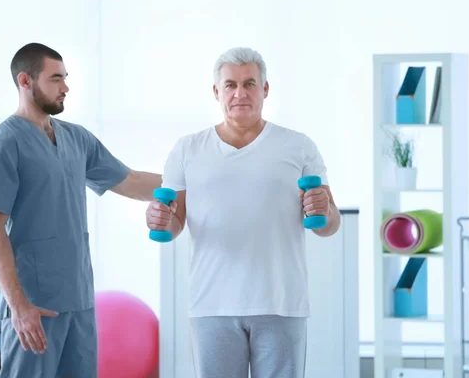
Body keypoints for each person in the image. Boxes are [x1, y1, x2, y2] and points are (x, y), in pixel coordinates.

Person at [145, 47, 341, 378]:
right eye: (230, 85)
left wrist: (324, 209)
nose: (240, 93)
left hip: (281, 302)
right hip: (212, 303)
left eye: (250, 83)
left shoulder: (298, 146)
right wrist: (158, 219)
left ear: (265, 89)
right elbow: (175, 220)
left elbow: (327, 225)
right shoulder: (187, 149)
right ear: (216, 92)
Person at [0, 42, 161, 378]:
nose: (66, 87)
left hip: (79, 304)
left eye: (65, 78)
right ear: (26, 81)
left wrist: (191, 183)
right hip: (35, 308)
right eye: (55, 79)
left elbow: (130, 181)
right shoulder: (3, 144)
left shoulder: (77, 139)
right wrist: (19, 308)